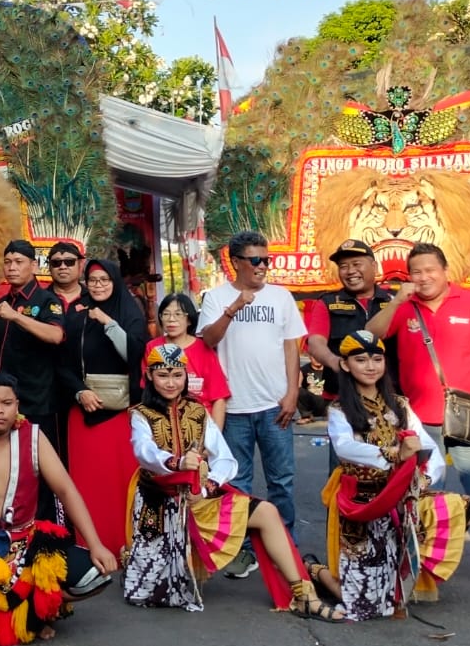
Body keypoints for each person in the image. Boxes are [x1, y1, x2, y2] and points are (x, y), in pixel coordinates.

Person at [311, 331, 470, 625]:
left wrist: (424, 479)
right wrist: (394, 453)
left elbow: (428, 447)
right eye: (360, 360)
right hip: (366, 506)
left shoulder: (399, 404)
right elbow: (345, 448)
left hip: (408, 498)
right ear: (345, 365)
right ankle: (314, 570)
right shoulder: (339, 409)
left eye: (376, 359)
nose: (370, 366)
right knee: (364, 605)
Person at [125, 345, 338, 618]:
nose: (171, 382)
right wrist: (176, 463)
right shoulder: (141, 414)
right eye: (163, 375)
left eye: (177, 375)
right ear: (150, 376)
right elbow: (144, 451)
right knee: (149, 592)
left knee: (267, 512)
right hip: (160, 503)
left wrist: (207, 486)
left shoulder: (199, 412)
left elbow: (226, 459)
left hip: (198, 497)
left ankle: (302, 593)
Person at [0, 372, 117, 646]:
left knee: (93, 576)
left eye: (6, 403)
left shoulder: (33, 437)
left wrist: (96, 543)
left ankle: (34, 614)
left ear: (17, 405)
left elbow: (66, 490)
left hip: (25, 543)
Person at [364, 242, 470, 582]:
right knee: (418, 494)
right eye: (416, 272)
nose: (423, 278)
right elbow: (371, 335)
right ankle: (419, 566)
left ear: (445, 271)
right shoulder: (405, 306)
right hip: (418, 419)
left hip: (467, 413)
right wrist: (396, 300)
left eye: (430, 270)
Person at [198, 230, 305, 544]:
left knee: (281, 482)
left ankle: (286, 545)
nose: (262, 266)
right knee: (237, 482)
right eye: (255, 260)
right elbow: (208, 340)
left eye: (266, 260)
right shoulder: (216, 298)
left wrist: (292, 393)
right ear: (236, 262)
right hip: (233, 408)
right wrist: (233, 308)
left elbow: (291, 347)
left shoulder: (281, 296)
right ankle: (240, 547)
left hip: (275, 406)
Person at [66, 258, 146, 555]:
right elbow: (63, 363)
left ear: (114, 281)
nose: (98, 286)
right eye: (93, 280)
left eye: (104, 280)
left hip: (122, 411)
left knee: (122, 481)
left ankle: (128, 544)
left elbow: (136, 356)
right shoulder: (76, 315)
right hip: (84, 411)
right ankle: (90, 545)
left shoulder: (129, 312)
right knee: (89, 483)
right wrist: (80, 391)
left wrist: (109, 324)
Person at [304, 239, 393, 414]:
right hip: (341, 397)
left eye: (356, 264)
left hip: (388, 397)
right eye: (343, 266)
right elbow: (315, 343)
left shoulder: (392, 301)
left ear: (374, 267)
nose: (350, 271)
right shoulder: (328, 302)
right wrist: (335, 362)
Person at [0, 239, 65, 448]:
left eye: (18, 261)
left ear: (33, 266)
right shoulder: (1, 304)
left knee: (42, 461)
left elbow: (55, 335)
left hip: (39, 399)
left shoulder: (47, 300)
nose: (12, 267)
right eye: (7, 262)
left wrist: (16, 317)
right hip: (5, 399)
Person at [147, 293, 230, 427]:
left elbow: (219, 397)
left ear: (189, 320)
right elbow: (147, 392)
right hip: (163, 424)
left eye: (178, 314)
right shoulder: (152, 347)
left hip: (200, 423)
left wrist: (215, 439)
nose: (171, 319)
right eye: (166, 314)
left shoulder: (203, 348)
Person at [47, 241, 89, 464]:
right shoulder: (40, 301)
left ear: (80, 265)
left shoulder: (95, 297)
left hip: (87, 386)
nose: (62, 267)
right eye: (56, 263)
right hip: (48, 385)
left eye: (69, 262)